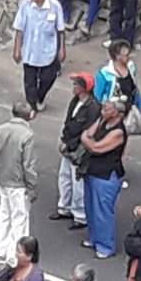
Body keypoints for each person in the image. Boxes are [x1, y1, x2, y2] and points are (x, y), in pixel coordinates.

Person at [80, 97, 129, 260]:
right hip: (93, 171)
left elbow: (96, 147)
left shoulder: (118, 132)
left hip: (107, 175)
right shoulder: (102, 121)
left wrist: (87, 140)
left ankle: (106, 246)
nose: (103, 111)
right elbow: (87, 134)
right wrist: (100, 119)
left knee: (102, 211)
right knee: (91, 208)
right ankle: (95, 238)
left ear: (118, 113)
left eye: (107, 109)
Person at [50, 72, 100, 231]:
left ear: (84, 88)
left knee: (77, 182)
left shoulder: (93, 108)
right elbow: (68, 123)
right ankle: (64, 207)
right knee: (64, 177)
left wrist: (69, 144)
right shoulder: (75, 101)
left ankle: (79, 215)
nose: (74, 86)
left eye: (76, 84)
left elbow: (86, 132)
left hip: (79, 151)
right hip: (68, 145)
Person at [0, 101, 38, 265]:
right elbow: (28, 164)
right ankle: (15, 254)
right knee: (20, 217)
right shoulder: (27, 134)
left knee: (4, 212)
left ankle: (1, 248)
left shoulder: (0, 129)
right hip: (18, 181)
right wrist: (32, 185)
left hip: (2, 176)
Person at [12, 0, 66, 112]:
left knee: (48, 78)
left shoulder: (55, 6)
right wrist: (17, 49)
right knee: (29, 81)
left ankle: (40, 97)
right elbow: (19, 29)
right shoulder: (25, 6)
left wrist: (62, 49)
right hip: (30, 50)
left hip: (48, 50)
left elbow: (61, 30)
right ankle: (31, 105)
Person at [94, 39, 141, 125]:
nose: (128, 56)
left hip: (128, 110)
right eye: (125, 54)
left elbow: (135, 88)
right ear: (117, 56)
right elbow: (97, 97)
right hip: (111, 113)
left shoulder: (131, 67)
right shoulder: (104, 73)